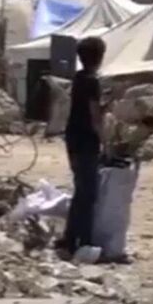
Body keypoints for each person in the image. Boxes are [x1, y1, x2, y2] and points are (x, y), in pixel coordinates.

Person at [61, 36, 107, 255]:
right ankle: (83, 241)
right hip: (87, 141)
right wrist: (107, 142)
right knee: (88, 193)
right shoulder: (92, 82)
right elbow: (94, 116)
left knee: (81, 189)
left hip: (73, 138)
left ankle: (71, 238)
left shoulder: (78, 78)